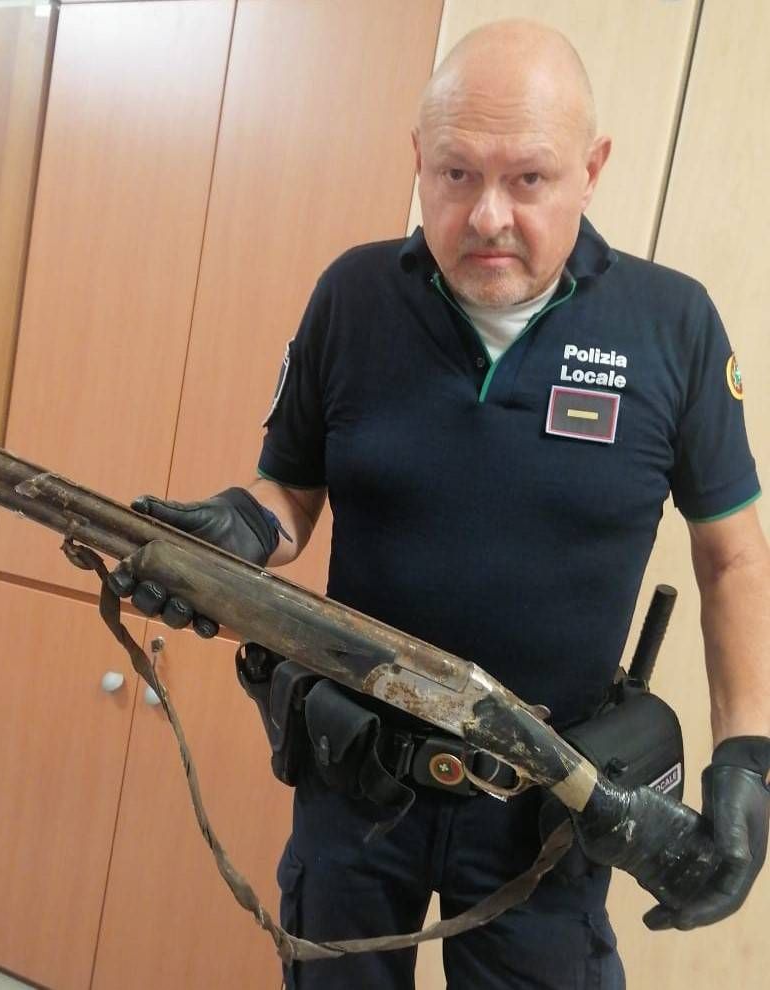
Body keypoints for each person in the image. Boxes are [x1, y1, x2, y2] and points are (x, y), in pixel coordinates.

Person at [111, 20, 770, 990]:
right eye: (457, 174)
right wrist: (230, 536)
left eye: (529, 178)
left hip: (547, 810)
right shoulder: (354, 296)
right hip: (355, 776)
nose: (488, 215)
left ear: (592, 170)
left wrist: (746, 761)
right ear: (418, 160)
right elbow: (288, 493)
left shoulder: (673, 327)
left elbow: (734, 557)